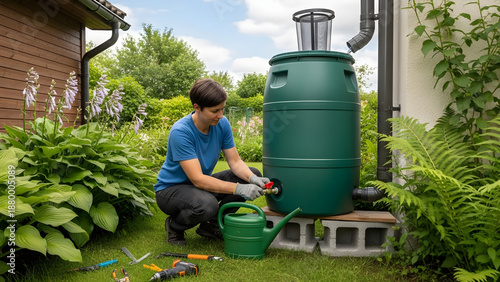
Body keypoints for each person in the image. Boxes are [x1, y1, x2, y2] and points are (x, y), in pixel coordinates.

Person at [154, 78, 270, 246]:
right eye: (215, 110)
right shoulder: (181, 132)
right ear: (197, 107)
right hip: (170, 190)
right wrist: (240, 189)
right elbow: (198, 179)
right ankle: (174, 226)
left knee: (252, 173)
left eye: (222, 109)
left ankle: (211, 225)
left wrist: (252, 179)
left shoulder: (221, 124)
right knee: (206, 205)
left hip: (197, 187)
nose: (221, 115)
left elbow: (236, 162)